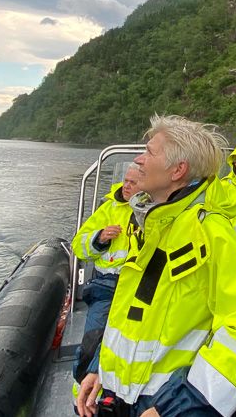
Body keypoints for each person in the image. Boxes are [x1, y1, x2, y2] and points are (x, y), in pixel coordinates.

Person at [76, 115, 236, 417]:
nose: (138, 159)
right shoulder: (152, 225)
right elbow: (135, 316)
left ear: (178, 170)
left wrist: (174, 407)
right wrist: (103, 368)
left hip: (164, 403)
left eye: (150, 152)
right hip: (125, 396)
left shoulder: (209, 233)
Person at [70, 165, 140, 387]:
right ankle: (84, 390)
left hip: (139, 286)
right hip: (106, 285)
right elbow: (78, 245)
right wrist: (99, 238)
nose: (126, 186)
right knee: (93, 340)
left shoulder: (154, 210)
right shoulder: (109, 207)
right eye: (126, 181)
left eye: (133, 183)